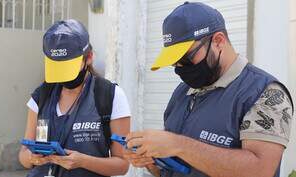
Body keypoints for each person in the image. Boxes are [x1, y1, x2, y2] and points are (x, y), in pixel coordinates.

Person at [123, 2, 294, 177]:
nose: (180, 67)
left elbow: (260, 170)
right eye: (175, 62)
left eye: (186, 58)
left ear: (218, 41)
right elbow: (173, 169)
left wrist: (178, 145)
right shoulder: (183, 92)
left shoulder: (264, 93)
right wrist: (152, 161)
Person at [19, 19, 131, 177]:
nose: (63, 77)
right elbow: (24, 155)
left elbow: (122, 164)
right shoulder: (41, 96)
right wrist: (32, 158)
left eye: (68, 67)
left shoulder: (110, 96)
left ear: (89, 57)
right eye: (58, 68)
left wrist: (83, 161)